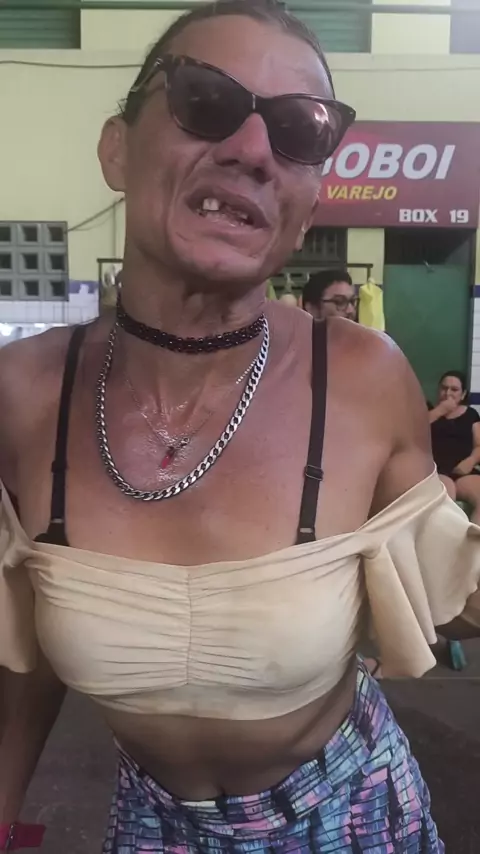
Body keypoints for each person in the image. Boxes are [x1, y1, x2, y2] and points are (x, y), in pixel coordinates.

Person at [1, 2, 480, 852]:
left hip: (355, 817)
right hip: (154, 828)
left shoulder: (362, 380)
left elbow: (451, 601)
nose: (254, 149)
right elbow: (19, 653)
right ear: (117, 149)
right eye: (205, 102)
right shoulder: (24, 395)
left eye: (299, 131)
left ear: (310, 200)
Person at [430, 370, 480, 523]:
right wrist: (441, 410)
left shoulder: (471, 415)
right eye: (444, 388)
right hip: (436, 471)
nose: (448, 393)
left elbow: (479, 445)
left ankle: (474, 538)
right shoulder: (428, 412)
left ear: (463, 394)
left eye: (454, 389)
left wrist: (471, 460)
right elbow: (415, 432)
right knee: (445, 501)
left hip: (464, 470)